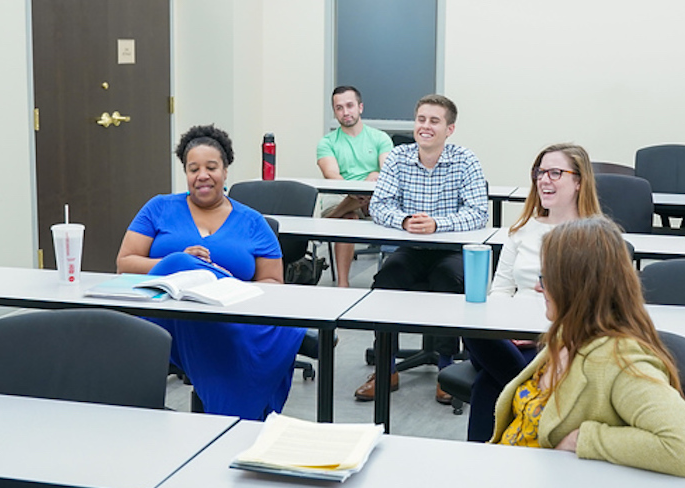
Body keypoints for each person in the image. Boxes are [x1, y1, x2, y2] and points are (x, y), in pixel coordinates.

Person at [490, 216, 685, 476]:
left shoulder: (620, 359)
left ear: (577, 287)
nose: (538, 287)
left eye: (547, 278)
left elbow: (684, 449)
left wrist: (584, 439)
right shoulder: (568, 335)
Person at [115, 124, 305, 420]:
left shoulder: (254, 222)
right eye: (193, 169)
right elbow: (125, 262)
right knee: (179, 265)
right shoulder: (159, 208)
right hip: (168, 318)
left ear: (225, 171)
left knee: (235, 340)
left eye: (211, 167)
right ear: (186, 174)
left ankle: (230, 423)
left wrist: (221, 282)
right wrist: (180, 261)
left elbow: (272, 283)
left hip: (230, 319)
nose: (202, 175)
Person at [463, 143, 602, 442]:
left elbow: (600, 308)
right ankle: (526, 392)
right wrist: (504, 325)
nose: (544, 180)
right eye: (540, 172)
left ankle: (477, 465)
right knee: (471, 329)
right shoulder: (522, 229)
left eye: (555, 173)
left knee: (487, 384)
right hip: (507, 339)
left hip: (560, 342)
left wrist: (543, 333)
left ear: (579, 181)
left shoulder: (597, 236)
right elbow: (500, 290)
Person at [358, 94, 489, 403]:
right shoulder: (398, 157)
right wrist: (405, 221)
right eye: (421, 119)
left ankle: (447, 372)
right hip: (411, 246)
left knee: (447, 282)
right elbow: (379, 206)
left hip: (451, 250)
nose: (425, 127)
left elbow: (479, 213)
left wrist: (437, 224)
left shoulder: (465, 159)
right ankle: (386, 369)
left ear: (450, 129)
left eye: (434, 121)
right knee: (386, 281)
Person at [316, 85, 395, 287]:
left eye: (349, 106)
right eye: (339, 108)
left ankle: (345, 207)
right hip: (340, 193)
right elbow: (331, 175)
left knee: (375, 174)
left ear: (360, 107)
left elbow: (388, 172)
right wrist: (353, 192)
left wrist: (369, 185)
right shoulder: (327, 142)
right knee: (348, 219)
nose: (345, 112)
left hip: (373, 196)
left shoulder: (380, 138)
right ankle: (343, 284)